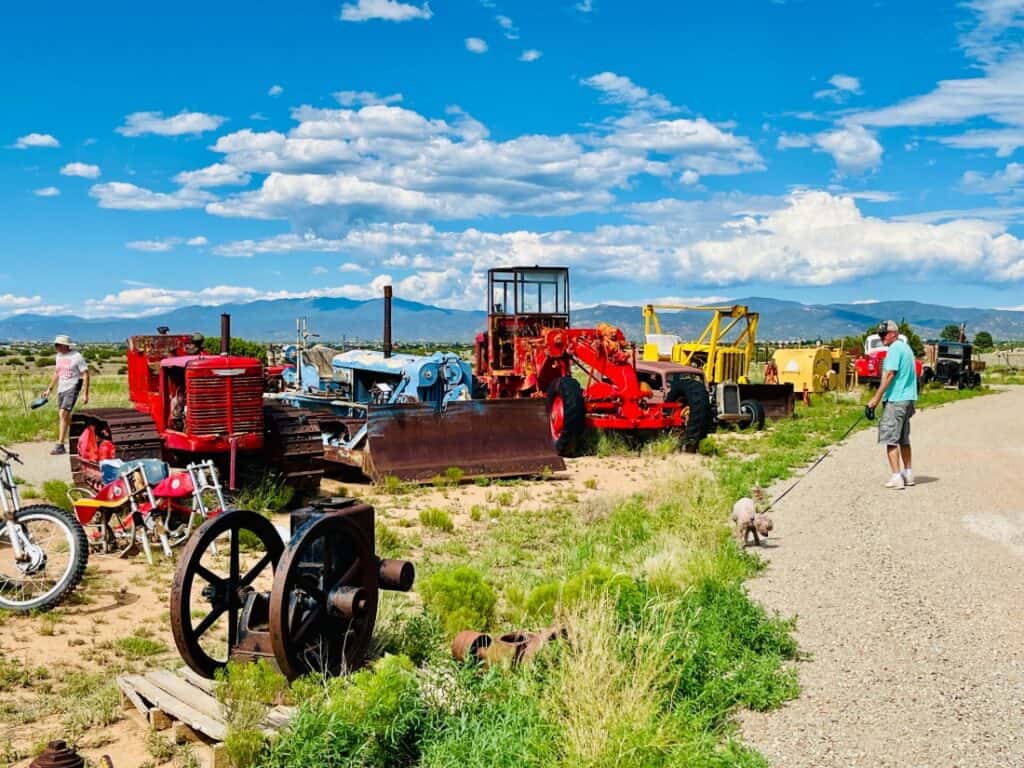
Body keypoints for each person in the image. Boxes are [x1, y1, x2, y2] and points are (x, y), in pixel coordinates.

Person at [866, 320, 918, 489]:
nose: (882, 337)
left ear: (894, 333)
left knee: (890, 439)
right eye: (880, 334)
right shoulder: (906, 349)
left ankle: (896, 476)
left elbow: (890, 375)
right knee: (903, 438)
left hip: (895, 400)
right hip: (908, 399)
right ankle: (908, 473)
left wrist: (876, 398)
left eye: (884, 334)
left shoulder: (895, 349)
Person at [43, 335, 89, 455]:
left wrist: (85, 394)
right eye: (55, 344)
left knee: (63, 413)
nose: (56, 347)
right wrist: (49, 389)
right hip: (61, 388)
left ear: (65, 345)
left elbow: (85, 374)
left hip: (72, 387)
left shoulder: (76, 356)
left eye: (58, 344)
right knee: (63, 416)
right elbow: (57, 373)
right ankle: (81, 432)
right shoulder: (58, 356)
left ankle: (60, 445)